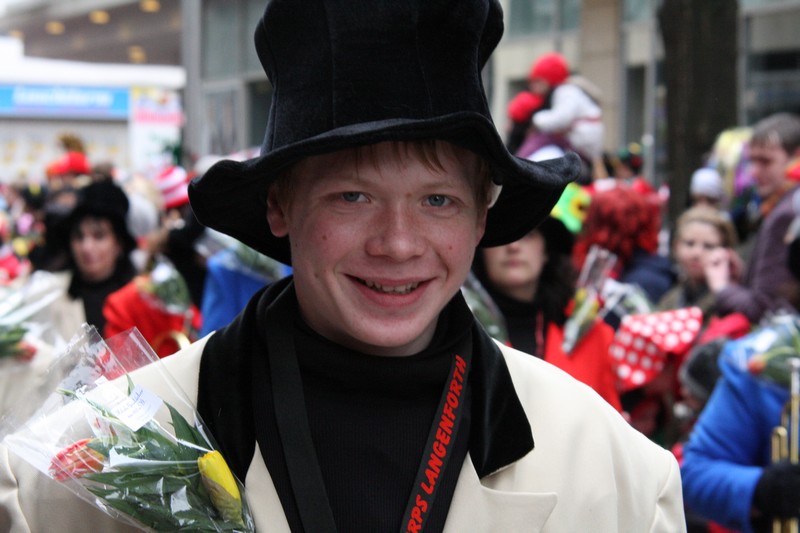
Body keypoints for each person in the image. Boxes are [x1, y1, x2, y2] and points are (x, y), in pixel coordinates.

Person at [0, 2, 685, 532]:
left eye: (438, 200)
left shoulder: (615, 472)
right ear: (280, 204)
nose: (398, 243)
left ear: (482, 217)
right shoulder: (98, 454)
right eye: (352, 196)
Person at [471, 216, 621, 410]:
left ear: (546, 252)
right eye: (502, 234)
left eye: (528, 234)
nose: (513, 246)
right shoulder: (458, 330)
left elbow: (609, 420)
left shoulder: (588, 331)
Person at [705, 112, 800, 324]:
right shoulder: (784, 205)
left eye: (765, 161)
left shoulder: (786, 213)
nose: (753, 172)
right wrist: (744, 275)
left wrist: (721, 287)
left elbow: (765, 309)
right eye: (752, 161)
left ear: (796, 158)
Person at [526, 51, 604, 182]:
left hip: (580, 141)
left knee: (539, 140)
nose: (533, 86)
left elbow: (561, 119)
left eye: (538, 81)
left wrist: (537, 119)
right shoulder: (569, 91)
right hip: (583, 144)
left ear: (550, 79)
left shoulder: (565, 91)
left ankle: (522, 164)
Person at [658, 205, 740, 318]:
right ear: (676, 246)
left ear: (727, 252)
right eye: (690, 243)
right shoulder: (670, 300)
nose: (697, 253)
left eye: (709, 246)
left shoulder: (732, 302)